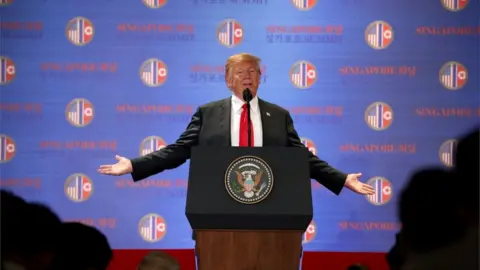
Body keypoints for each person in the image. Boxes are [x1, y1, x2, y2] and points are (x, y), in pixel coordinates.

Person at [98, 53, 374, 196]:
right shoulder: (207, 113)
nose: (247, 78)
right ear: (228, 80)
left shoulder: (278, 115)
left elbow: (301, 158)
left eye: (253, 72)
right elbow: (177, 151)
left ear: (260, 78)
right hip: (217, 203)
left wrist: (341, 178)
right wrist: (134, 165)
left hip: (270, 203)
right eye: (240, 73)